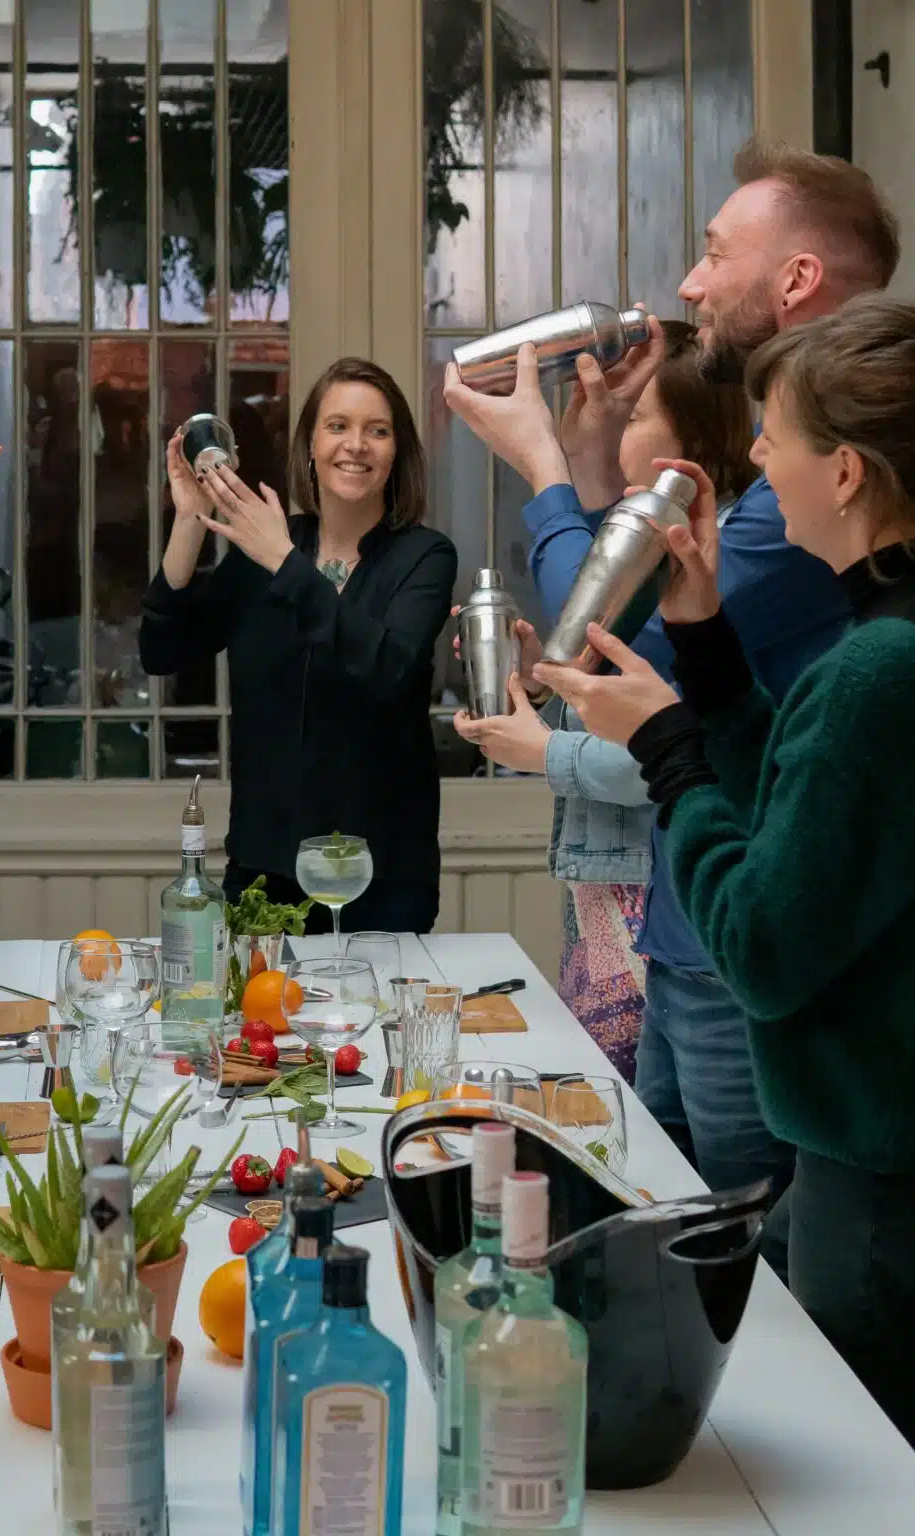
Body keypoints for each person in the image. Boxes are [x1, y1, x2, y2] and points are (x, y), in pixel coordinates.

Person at [443, 139, 898, 1206]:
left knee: (745, 1255)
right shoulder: (802, 481)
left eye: (713, 252)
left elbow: (619, 642)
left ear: (795, 278)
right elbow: (658, 645)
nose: (688, 284)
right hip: (691, 926)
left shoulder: (825, 518)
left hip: (757, 957)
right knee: (668, 1214)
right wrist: (591, 468)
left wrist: (545, 468)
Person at [535, 294, 915, 1444]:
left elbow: (757, 946)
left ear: (841, 473)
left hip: (873, 1183)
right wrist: (699, 637)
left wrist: (664, 747)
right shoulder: (877, 646)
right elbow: (793, 818)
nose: (753, 462)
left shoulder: (875, 672)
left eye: (771, 436)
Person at [452, 323, 755, 1083]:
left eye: (634, 412)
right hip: (623, 895)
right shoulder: (653, 539)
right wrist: (542, 680)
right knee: (620, 1125)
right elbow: (623, 686)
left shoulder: (708, 556)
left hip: (659, 901)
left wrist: (544, 751)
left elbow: (667, 742)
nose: (609, 424)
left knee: (625, 1127)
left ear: (687, 444)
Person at [140, 357, 458, 933]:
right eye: (337, 426)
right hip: (264, 868)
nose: (355, 445)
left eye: (377, 430)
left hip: (381, 872)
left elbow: (389, 669)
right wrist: (190, 519)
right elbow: (162, 651)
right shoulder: (267, 547)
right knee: (256, 998)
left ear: (397, 453)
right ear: (310, 444)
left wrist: (284, 562)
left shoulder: (424, 557)